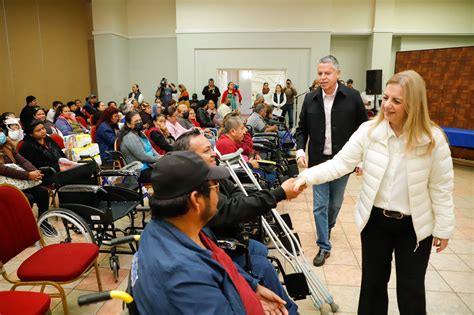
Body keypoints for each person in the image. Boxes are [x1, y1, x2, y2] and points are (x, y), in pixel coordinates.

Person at [294, 69, 454, 314]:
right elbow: (340, 163)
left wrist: (443, 227)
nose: (387, 105)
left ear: (414, 104)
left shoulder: (433, 139)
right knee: (373, 287)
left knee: (411, 291)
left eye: (396, 101)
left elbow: (441, 187)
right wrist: (307, 176)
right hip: (375, 222)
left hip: (415, 228)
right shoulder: (369, 131)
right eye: (386, 98)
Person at [132, 151, 289, 314]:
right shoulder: (187, 277)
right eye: (216, 186)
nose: (220, 195)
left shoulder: (164, 229)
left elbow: (218, 264)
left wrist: (251, 286)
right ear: (196, 200)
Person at [173, 130, 300, 314]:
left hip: (230, 238)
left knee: (261, 251)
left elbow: (237, 197)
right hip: (222, 246)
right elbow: (231, 209)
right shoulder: (197, 192)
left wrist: (237, 204)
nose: (214, 153)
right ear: (189, 159)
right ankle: (290, 310)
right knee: (264, 267)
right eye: (207, 150)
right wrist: (279, 193)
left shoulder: (213, 175)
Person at [295, 55, 368, 267]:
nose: (323, 77)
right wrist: (300, 150)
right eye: (320, 73)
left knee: (335, 203)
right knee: (320, 204)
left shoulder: (352, 97)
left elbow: (364, 130)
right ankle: (324, 245)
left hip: (343, 162)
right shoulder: (310, 99)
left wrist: (361, 160)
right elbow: (302, 129)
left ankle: (327, 226)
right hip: (318, 162)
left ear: (338, 74)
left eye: (328, 73)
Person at [0, 126, 49, 220]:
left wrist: (34, 171)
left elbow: (22, 160)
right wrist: (28, 175)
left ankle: (44, 222)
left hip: (18, 181)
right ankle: (23, 224)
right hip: (4, 185)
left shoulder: (7, 145)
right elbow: (4, 170)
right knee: (28, 198)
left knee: (42, 191)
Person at [116, 112, 160, 183]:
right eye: (136, 121)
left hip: (149, 166)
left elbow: (151, 149)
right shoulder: (129, 137)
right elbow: (143, 157)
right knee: (167, 174)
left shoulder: (140, 133)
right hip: (139, 172)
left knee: (170, 169)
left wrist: (161, 157)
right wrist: (160, 159)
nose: (139, 122)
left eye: (140, 120)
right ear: (129, 124)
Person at [19, 120, 66, 185]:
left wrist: (65, 162)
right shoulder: (27, 146)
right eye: (38, 130)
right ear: (30, 134)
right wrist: (58, 168)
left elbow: (60, 152)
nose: (43, 131)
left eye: (43, 128)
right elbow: (37, 166)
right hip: (46, 175)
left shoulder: (48, 139)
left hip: (61, 168)